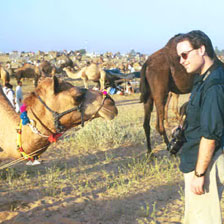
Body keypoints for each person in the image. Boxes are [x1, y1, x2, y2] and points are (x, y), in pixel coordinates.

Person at [175, 30, 224, 224]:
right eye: (179, 56)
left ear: (201, 49)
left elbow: (210, 135)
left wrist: (200, 174)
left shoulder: (214, 85)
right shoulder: (204, 77)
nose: (181, 60)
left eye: (185, 55)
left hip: (205, 164)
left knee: (204, 219)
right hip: (195, 159)